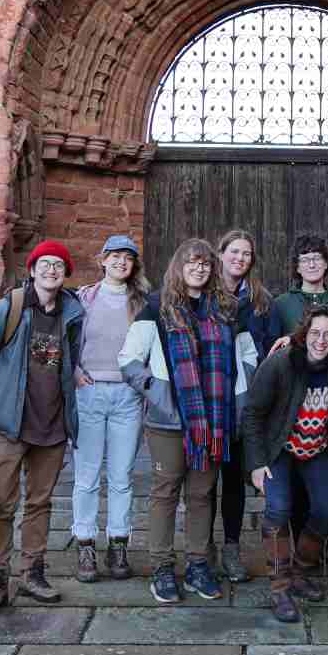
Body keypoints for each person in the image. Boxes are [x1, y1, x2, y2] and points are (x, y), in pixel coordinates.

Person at [119, 238, 252, 604]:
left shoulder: (228, 308)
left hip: (214, 420)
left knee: (201, 493)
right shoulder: (156, 307)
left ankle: (198, 565)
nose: (200, 268)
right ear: (180, 266)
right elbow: (130, 359)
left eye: (206, 264)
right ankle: (162, 567)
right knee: (165, 492)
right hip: (168, 422)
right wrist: (159, 395)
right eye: (193, 262)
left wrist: (238, 399)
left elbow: (248, 356)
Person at [0, 241, 83, 616]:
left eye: (58, 265)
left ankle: (33, 571)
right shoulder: (11, 307)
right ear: (32, 270)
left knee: (40, 502)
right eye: (45, 264)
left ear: (65, 273)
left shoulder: (73, 311)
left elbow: (74, 360)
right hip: (9, 425)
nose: (52, 270)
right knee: (2, 504)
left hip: (52, 425)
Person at [242, 306, 328, 622]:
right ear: (304, 334)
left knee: (327, 512)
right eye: (315, 333)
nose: (321, 340)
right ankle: (279, 587)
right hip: (279, 449)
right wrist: (256, 463)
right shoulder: (280, 363)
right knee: (278, 509)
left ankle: (298, 572)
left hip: (317, 449)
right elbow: (252, 413)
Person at [267, 234, 328, 570]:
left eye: (317, 257)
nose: (312, 264)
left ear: (327, 262)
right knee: (296, 486)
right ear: (296, 266)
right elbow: (274, 349)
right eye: (304, 258)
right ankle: (296, 550)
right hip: (295, 403)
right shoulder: (282, 304)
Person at [70, 234, 150, 583]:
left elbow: (151, 347)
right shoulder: (84, 297)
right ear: (102, 260)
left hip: (126, 395)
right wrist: (73, 370)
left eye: (127, 258)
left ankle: (118, 543)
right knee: (87, 476)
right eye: (115, 256)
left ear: (134, 266)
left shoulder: (143, 302)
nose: (121, 262)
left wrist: (143, 384)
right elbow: (70, 339)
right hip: (89, 391)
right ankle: (85, 543)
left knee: (121, 476)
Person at [206, 229, 273, 584]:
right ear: (221, 254)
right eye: (234, 251)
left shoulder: (261, 301)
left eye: (246, 254)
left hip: (243, 399)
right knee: (202, 481)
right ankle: (202, 548)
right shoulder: (200, 292)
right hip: (207, 400)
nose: (240, 259)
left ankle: (231, 547)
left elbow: (268, 348)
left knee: (233, 480)